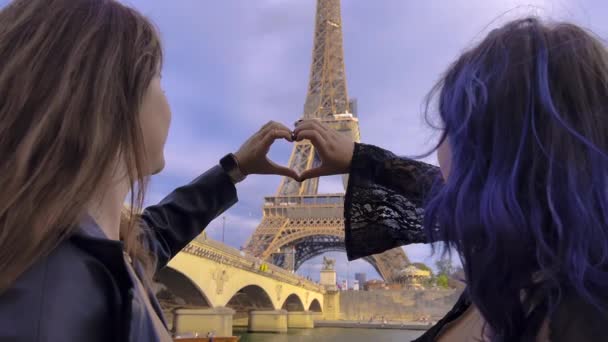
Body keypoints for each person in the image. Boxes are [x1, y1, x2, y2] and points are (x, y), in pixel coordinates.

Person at [294, 17, 608, 341]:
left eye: (448, 126)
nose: (440, 142)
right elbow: (443, 195)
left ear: (486, 145)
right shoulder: (525, 265)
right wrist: (362, 158)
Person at [0, 0, 297, 341]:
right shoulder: (52, 302)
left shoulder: (92, 255)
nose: (168, 103)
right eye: (160, 82)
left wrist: (235, 169)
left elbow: (154, 234)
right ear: (111, 97)